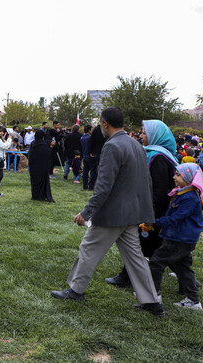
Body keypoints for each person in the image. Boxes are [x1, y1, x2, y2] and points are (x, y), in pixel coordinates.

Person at [51, 107, 163, 317]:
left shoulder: (112, 146)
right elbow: (145, 182)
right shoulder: (136, 145)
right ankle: (152, 301)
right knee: (136, 258)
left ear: (104, 123)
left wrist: (86, 212)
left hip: (112, 215)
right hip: (132, 214)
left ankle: (76, 290)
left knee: (88, 249)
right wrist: (146, 213)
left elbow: (103, 186)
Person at [105, 119, 179, 288]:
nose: (141, 135)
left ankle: (127, 277)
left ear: (156, 136)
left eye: (145, 133)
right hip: (153, 210)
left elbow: (159, 191)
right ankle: (186, 279)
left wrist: (148, 214)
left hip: (153, 211)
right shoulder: (156, 153)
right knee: (159, 246)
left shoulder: (159, 158)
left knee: (139, 244)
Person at [145, 163, 203, 310]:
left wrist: (154, 222)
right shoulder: (181, 193)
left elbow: (175, 218)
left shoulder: (189, 198)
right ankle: (193, 301)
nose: (174, 177)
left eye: (178, 175)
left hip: (180, 239)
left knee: (156, 262)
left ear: (188, 178)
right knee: (183, 268)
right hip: (180, 238)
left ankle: (153, 296)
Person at [28, 129, 54, 202]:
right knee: (42, 181)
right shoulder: (45, 145)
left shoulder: (33, 144)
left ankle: (35, 195)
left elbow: (30, 155)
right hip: (43, 166)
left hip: (34, 166)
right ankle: (42, 195)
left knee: (34, 181)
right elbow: (48, 155)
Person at [81, 125, 94, 190]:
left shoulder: (82, 137)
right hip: (90, 155)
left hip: (84, 155)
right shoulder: (90, 138)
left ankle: (85, 185)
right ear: (89, 130)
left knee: (85, 171)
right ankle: (91, 185)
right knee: (92, 171)